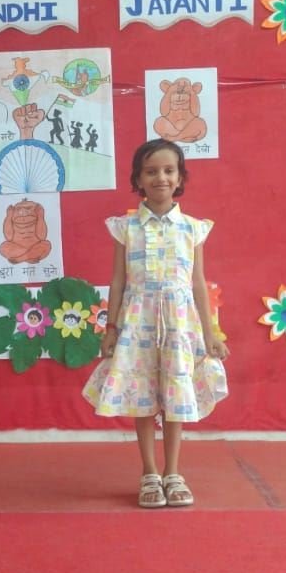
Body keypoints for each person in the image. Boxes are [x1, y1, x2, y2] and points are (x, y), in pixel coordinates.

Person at [82, 139, 228, 508]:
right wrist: (111, 328)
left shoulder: (193, 229)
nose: (160, 177)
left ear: (180, 178)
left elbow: (198, 284)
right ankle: (149, 473)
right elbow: (118, 281)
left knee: (176, 394)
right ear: (138, 179)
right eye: (151, 171)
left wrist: (210, 334)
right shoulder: (126, 228)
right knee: (142, 395)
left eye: (168, 170)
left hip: (179, 326)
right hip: (137, 324)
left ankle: (173, 473)